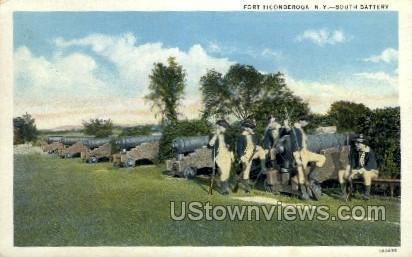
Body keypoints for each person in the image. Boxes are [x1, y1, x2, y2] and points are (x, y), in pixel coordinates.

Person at [290, 117, 326, 200]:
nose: (306, 124)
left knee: (322, 158)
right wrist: (297, 157)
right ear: (301, 121)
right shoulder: (294, 130)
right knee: (301, 172)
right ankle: (303, 193)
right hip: (299, 154)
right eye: (306, 122)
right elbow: (294, 145)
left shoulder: (300, 129)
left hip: (305, 152)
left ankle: (311, 178)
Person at [338, 134, 379, 200]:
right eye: (356, 143)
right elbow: (351, 163)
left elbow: (369, 166)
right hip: (358, 172)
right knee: (341, 172)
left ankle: (366, 195)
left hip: (372, 172)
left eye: (358, 143)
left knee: (366, 173)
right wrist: (349, 171)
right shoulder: (355, 151)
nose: (356, 144)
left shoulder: (369, 151)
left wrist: (356, 172)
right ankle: (344, 194)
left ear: (364, 144)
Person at [236, 119, 266, 193]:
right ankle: (246, 188)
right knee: (246, 171)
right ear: (246, 128)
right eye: (249, 128)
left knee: (262, 151)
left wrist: (258, 147)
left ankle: (263, 167)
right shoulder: (241, 137)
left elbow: (259, 144)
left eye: (252, 128)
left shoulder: (255, 136)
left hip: (253, 154)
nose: (251, 129)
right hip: (245, 156)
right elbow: (239, 149)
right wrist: (241, 157)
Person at [208, 119, 234, 195]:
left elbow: (230, 147)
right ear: (219, 126)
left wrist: (232, 156)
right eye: (224, 127)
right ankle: (223, 190)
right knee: (223, 172)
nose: (225, 129)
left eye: (226, 127)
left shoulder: (227, 136)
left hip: (227, 155)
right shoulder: (212, 135)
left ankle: (224, 188)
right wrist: (216, 134)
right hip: (219, 155)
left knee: (227, 173)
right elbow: (210, 145)